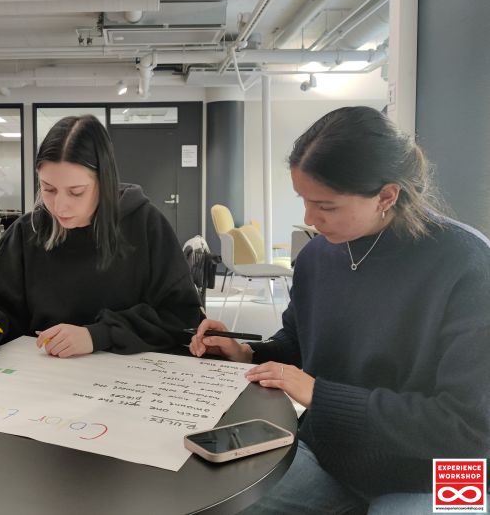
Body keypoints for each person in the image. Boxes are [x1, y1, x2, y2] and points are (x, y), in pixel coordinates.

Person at [190, 106, 490, 514]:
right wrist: (247, 353)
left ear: (386, 196)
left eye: (325, 206)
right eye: (303, 200)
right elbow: (300, 343)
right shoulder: (317, 255)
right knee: (217, 498)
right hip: (332, 457)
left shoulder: (467, 264)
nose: (309, 218)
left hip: (442, 472)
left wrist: (321, 396)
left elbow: (469, 428)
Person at [0, 114, 202, 358]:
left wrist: (98, 335)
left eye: (76, 192)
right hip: (39, 375)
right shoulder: (27, 231)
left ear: (104, 182)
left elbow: (180, 315)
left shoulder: (146, 225)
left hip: (127, 379)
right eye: (48, 189)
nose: (59, 207)